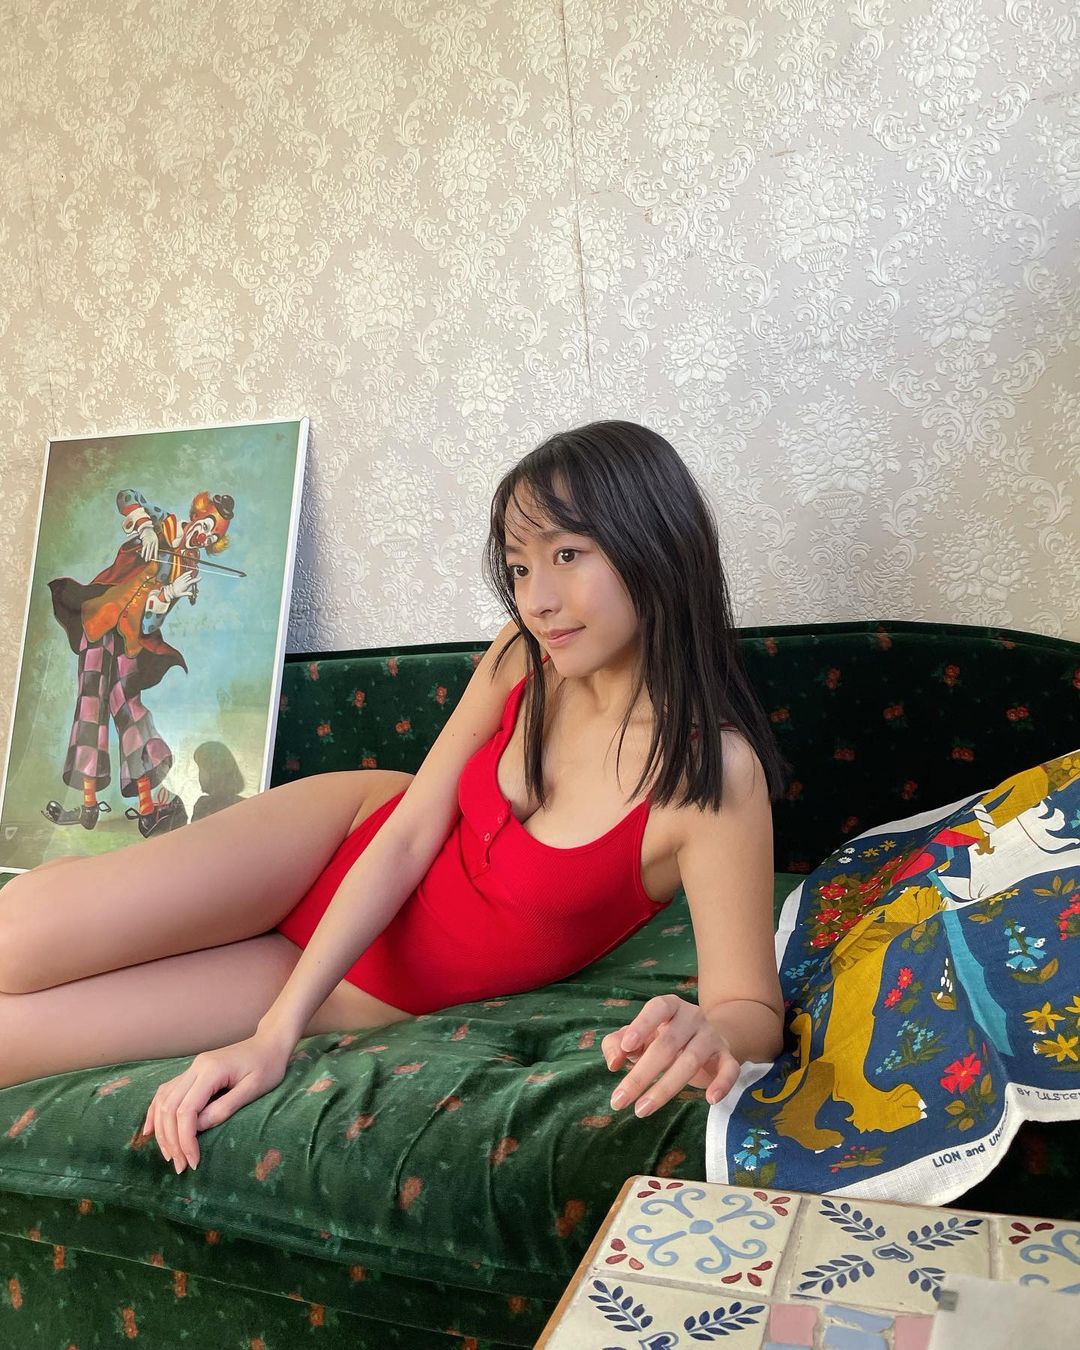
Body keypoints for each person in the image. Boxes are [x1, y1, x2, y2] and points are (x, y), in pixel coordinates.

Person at [0, 421, 786, 1176]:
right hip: (341, 837)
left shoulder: (711, 777)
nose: (537, 600)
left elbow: (749, 1005)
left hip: (363, 983)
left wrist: (712, 1032)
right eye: (519, 568)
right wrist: (275, 1032)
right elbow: (409, 835)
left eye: (567, 554)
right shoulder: (525, 659)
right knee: (17, 934)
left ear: (657, 547)